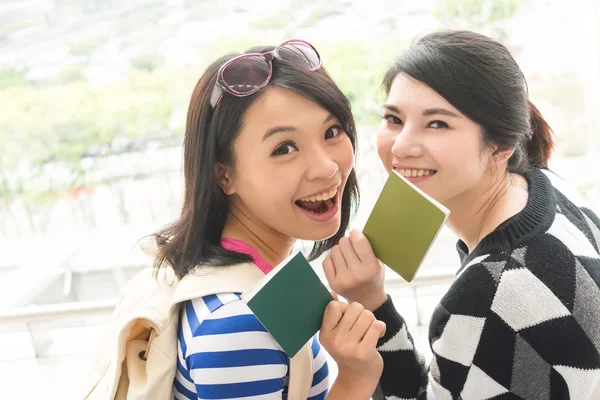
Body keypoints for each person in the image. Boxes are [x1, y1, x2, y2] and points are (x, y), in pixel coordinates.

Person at [323, 30, 600, 399]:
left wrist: (367, 325)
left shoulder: (486, 295)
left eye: (437, 123)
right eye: (393, 118)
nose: (402, 145)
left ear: (501, 145)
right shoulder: (545, 186)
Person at [151, 39, 386, 400]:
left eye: (331, 132)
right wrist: (355, 379)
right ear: (223, 175)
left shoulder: (253, 278)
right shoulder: (236, 324)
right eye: (284, 148)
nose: (327, 167)